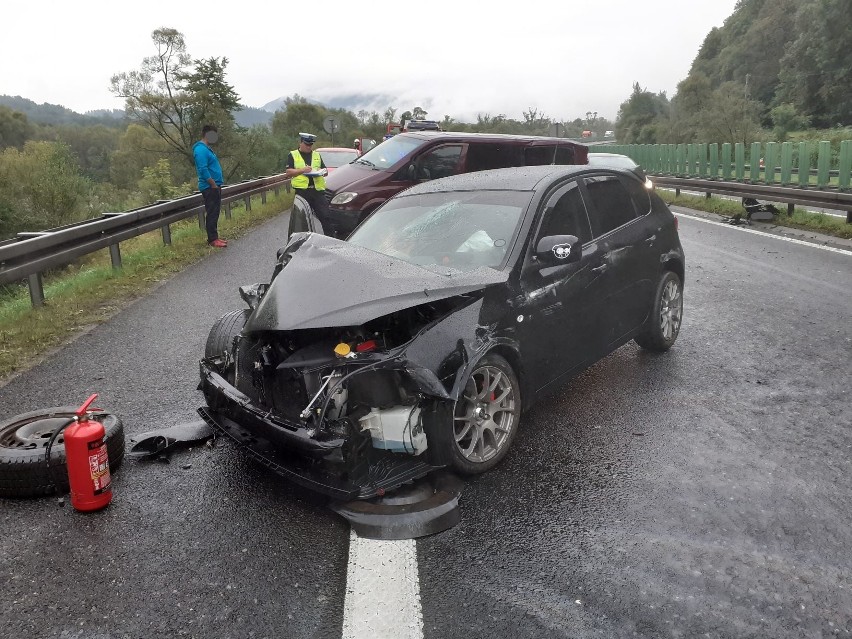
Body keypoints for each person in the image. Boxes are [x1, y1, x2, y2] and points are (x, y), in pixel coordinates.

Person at [285, 132, 334, 236]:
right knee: (301, 219)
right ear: (301, 143)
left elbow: (325, 170)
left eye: (311, 145)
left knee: (326, 217)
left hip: (317, 191)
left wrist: (322, 172)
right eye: (307, 144)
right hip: (302, 192)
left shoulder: (316, 155)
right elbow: (289, 172)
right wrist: (302, 170)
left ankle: (331, 241)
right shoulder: (293, 155)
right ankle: (301, 242)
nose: (309, 147)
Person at [193, 125, 226, 248]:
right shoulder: (200, 150)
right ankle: (212, 239)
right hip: (210, 187)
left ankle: (215, 237)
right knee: (212, 212)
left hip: (214, 186)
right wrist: (212, 184)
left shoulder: (206, 149)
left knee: (215, 212)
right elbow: (203, 169)